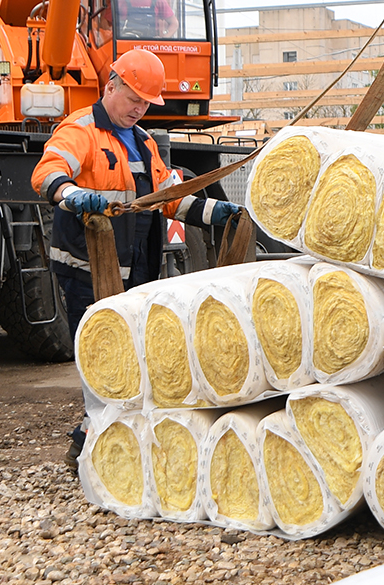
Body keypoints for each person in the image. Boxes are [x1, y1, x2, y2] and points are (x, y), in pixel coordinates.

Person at [30, 48, 242, 468]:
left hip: (136, 270)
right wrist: (75, 195)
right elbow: (47, 173)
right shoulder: (81, 131)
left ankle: (99, 441)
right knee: (101, 356)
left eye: (146, 103)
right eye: (133, 99)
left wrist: (211, 212)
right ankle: (95, 447)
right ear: (111, 86)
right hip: (89, 270)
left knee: (134, 356)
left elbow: (168, 200)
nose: (139, 109)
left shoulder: (145, 142)